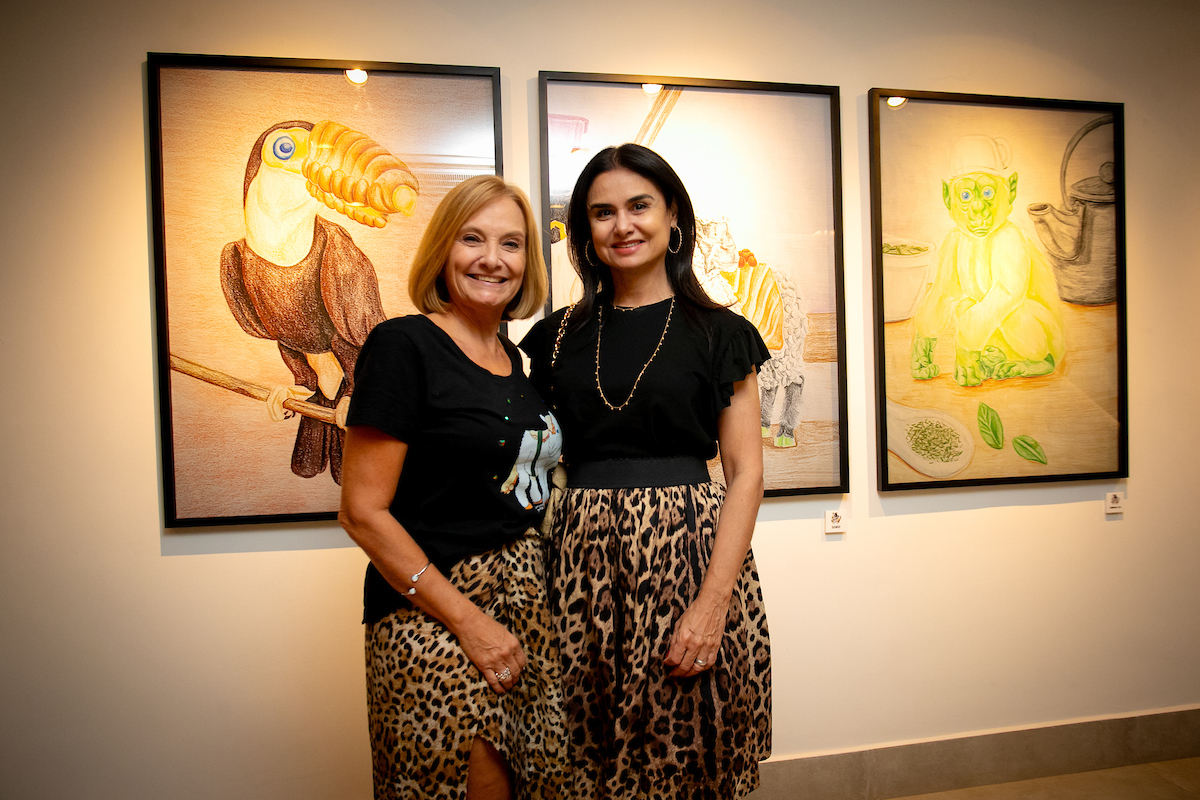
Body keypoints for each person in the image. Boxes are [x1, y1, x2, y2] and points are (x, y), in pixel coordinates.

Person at [520, 144, 772, 799]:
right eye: (602, 212)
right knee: (580, 750)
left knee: (688, 748)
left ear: (672, 216)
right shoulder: (551, 340)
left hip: (689, 555)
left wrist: (712, 607)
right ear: (584, 233)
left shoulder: (722, 332)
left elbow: (745, 472)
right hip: (577, 563)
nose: (622, 225)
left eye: (639, 205)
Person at [339, 175, 566, 800]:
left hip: (524, 613)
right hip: (433, 615)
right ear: (443, 249)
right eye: (473, 238)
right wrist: (469, 622)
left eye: (511, 244)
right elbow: (362, 511)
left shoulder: (515, 360)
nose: (492, 259)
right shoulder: (402, 345)